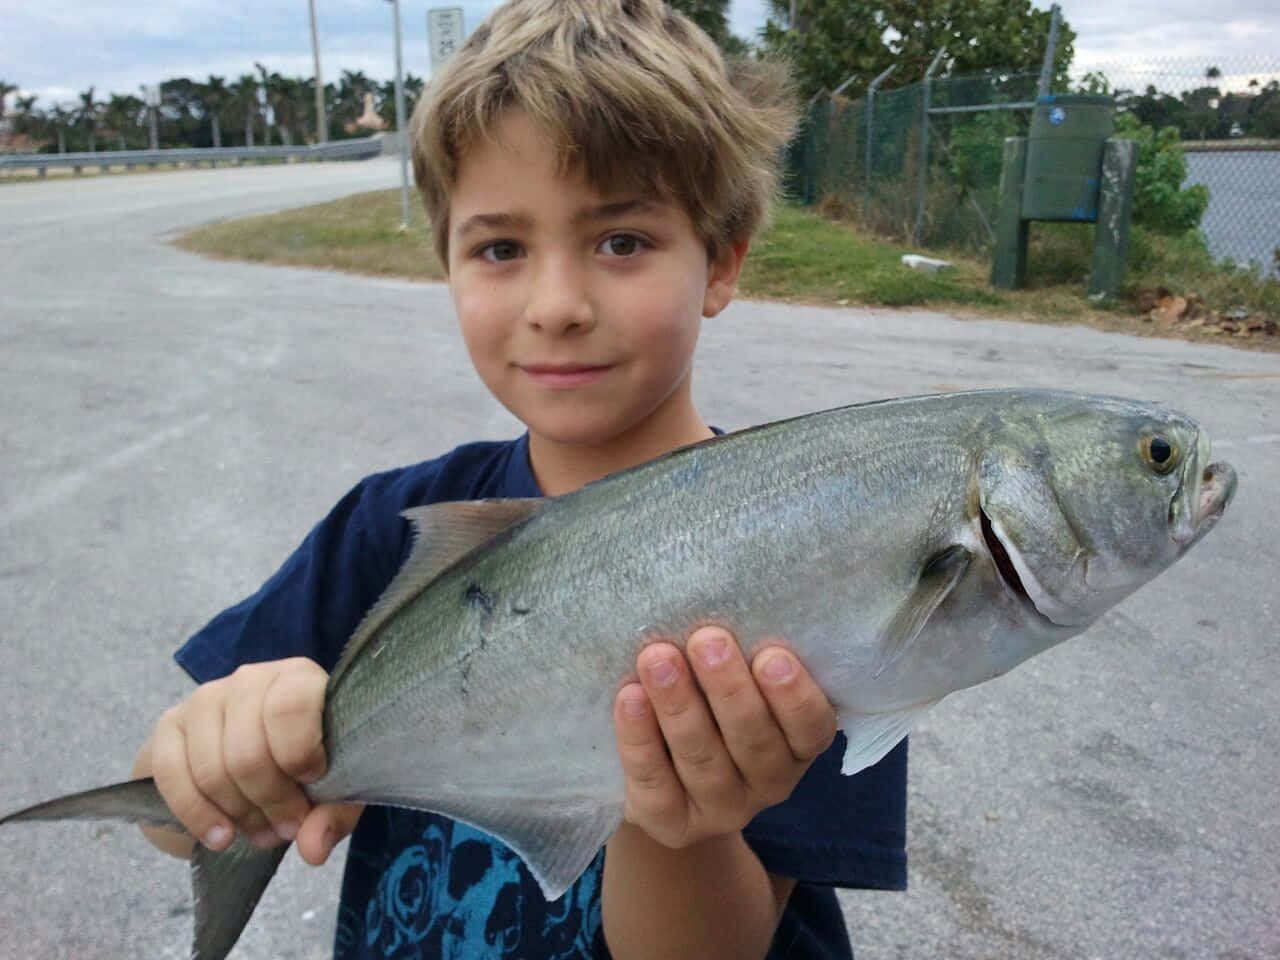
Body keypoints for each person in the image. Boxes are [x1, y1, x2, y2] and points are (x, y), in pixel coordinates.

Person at [131, 1, 908, 957]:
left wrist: (682, 822)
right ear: (447, 263)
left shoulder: (824, 551)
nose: (558, 306)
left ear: (722, 259)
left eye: (622, 241)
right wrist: (219, 747)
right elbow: (167, 824)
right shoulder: (391, 528)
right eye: (501, 248)